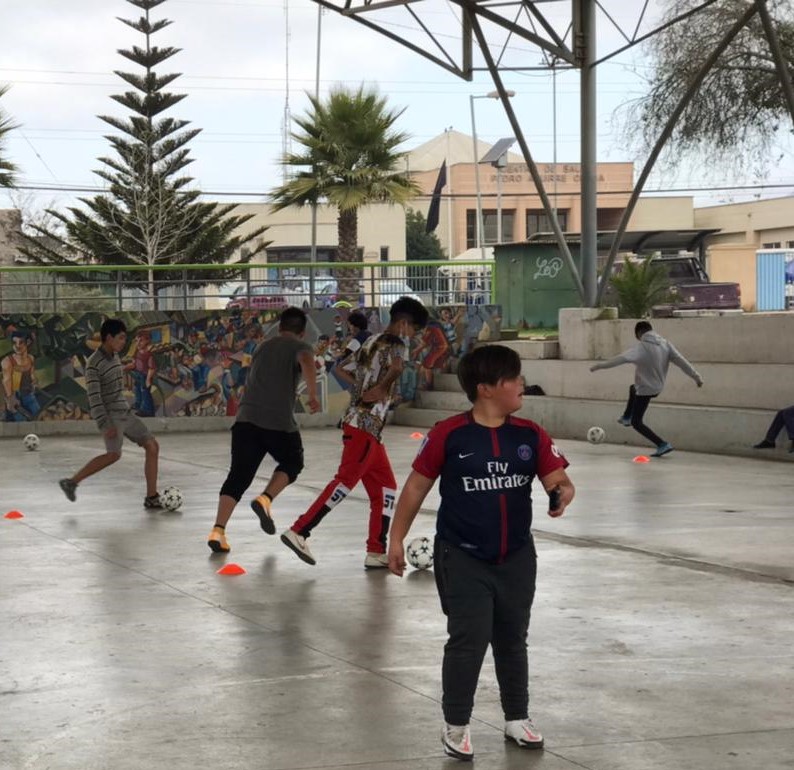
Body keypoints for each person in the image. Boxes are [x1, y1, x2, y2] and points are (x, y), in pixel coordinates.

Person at [387, 344, 574, 761]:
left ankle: (517, 718)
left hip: (517, 557)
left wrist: (560, 494)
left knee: (512, 639)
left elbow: (558, 477)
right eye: (514, 378)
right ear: (487, 388)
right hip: (462, 556)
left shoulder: (529, 435)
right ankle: (456, 724)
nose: (521, 384)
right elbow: (417, 486)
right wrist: (396, 538)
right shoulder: (448, 434)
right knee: (468, 640)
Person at [281, 297, 429, 568]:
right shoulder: (397, 343)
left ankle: (376, 550)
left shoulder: (370, 341)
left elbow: (340, 368)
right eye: (414, 329)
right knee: (345, 481)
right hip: (364, 425)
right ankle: (299, 530)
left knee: (386, 488)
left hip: (367, 429)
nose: (413, 335)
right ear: (404, 324)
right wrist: (383, 388)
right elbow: (396, 367)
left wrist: (361, 390)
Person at [207, 307, 320, 553]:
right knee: (293, 462)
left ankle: (218, 531)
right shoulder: (301, 347)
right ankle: (265, 498)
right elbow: (307, 360)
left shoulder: (262, 347)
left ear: (280, 328)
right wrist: (312, 394)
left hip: (246, 419)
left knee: (237, 477)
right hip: (278, 422)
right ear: (302, 333)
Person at [58, 319, 162, 507]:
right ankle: (71, 482)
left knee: (152, 446)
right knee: (113, 455)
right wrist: (106, 425)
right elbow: (94, 398)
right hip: (111, 416)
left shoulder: (114, 356)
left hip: (124, 411)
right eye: (121, 338)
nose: (124, 342)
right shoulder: (93, 365)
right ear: (109, 337)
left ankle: (151, 497)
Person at [589, 320, 703, 457]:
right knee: (632, 388)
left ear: (638, 333)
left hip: (645, 390)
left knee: (636, 423)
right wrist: (697, 377)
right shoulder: (665, 344)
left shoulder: (641, 347)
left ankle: (662, 444)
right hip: (657, 387)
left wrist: (598, 366)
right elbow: (682, 362)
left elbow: (619, 359)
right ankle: (626, 416)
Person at [2, 330, 41, 422]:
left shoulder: (31, 358)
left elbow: (31, 374)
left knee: (39, 415)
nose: (17, 346)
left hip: (28, 394)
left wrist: (34, 382)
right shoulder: (7, 361)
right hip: (15, 396)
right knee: (22, 421)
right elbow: (6, 380)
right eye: (14, 342)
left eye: (21, 342)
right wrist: (11, 398)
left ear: (28, 342)